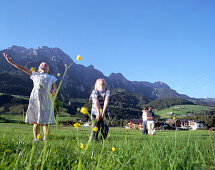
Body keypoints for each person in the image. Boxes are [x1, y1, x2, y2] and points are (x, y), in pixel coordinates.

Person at [3, 53, 57, 141]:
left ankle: (45, 138)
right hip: (35, 99)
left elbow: (55, 87)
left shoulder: (51, 77)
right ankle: (36, 138)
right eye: (41, 65)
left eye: (46, 65)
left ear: (48, 70)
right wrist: (11, 62)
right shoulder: (35, 75)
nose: (44, 65)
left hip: (46, 100)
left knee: (46, 121)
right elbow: (22, 68)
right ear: (39, 69)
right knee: (36, 120)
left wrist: (54, 91)